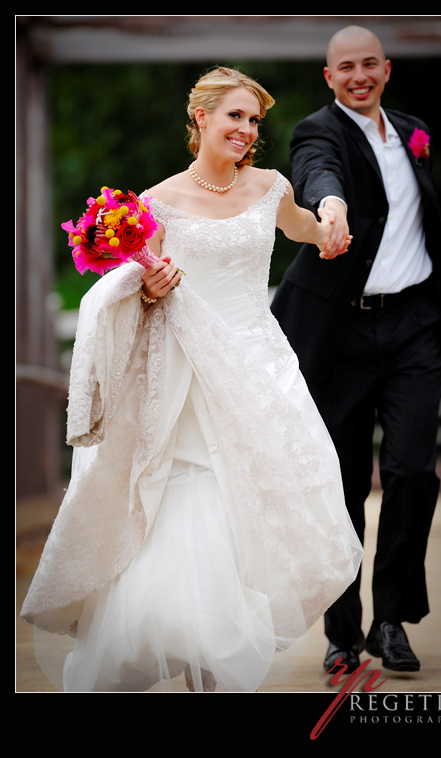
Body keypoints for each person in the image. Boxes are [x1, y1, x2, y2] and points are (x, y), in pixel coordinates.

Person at [21, 67, 362, 693]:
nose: (247, 130)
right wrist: (147, 288)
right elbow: (131, 287)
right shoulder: (155, 202)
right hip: (184, 374)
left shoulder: (269, 186)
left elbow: (308, 229)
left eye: (254, 120)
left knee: (252, 507)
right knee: (189, 499)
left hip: (259, 367)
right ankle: (187, 647)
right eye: (235, 115)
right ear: (201, 116)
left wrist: (332, 218)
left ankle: (217, 670)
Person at [271, 26, 441, 676]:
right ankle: (344, 631)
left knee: (411, 473)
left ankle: (392, 619)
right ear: (329, 77)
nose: (358, 75)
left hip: (414, 326)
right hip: (342, 336)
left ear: (386, 68)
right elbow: (316, 171)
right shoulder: (317, 131)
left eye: (369, 64)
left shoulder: (413, 131)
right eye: (345, 67)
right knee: (343, 485)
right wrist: (329, 202)